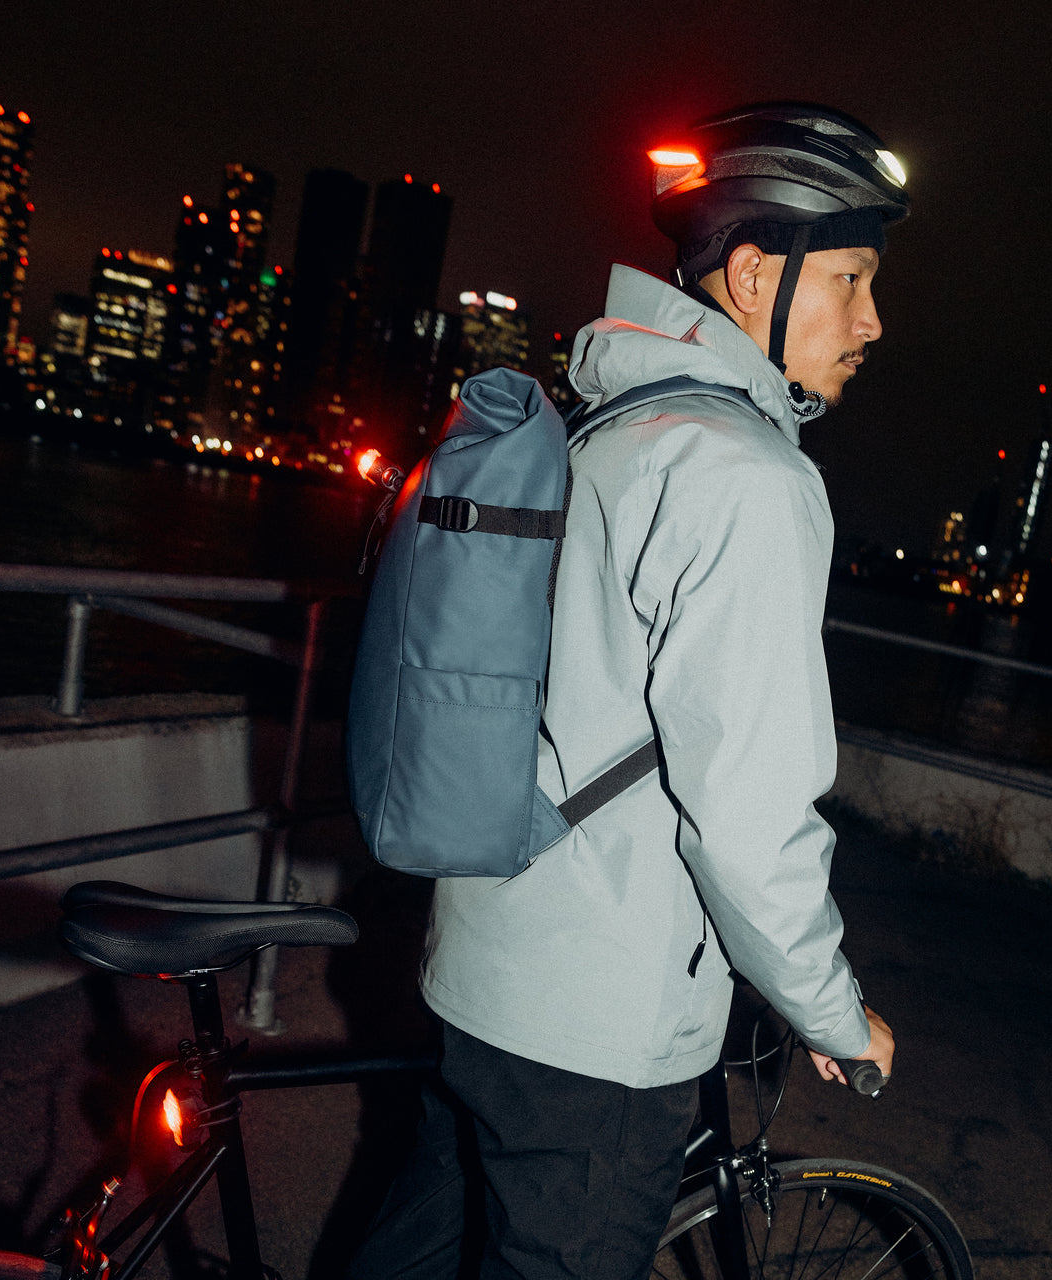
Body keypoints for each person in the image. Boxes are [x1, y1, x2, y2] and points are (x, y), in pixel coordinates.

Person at [349, 100, 911, 1280]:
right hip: (597, 1024)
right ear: (757, 274)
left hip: (483, 961)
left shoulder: (611, 420)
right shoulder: (746, 478)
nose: (872, 319)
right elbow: (747, 804)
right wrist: (826, 1006)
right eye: (850, 279)